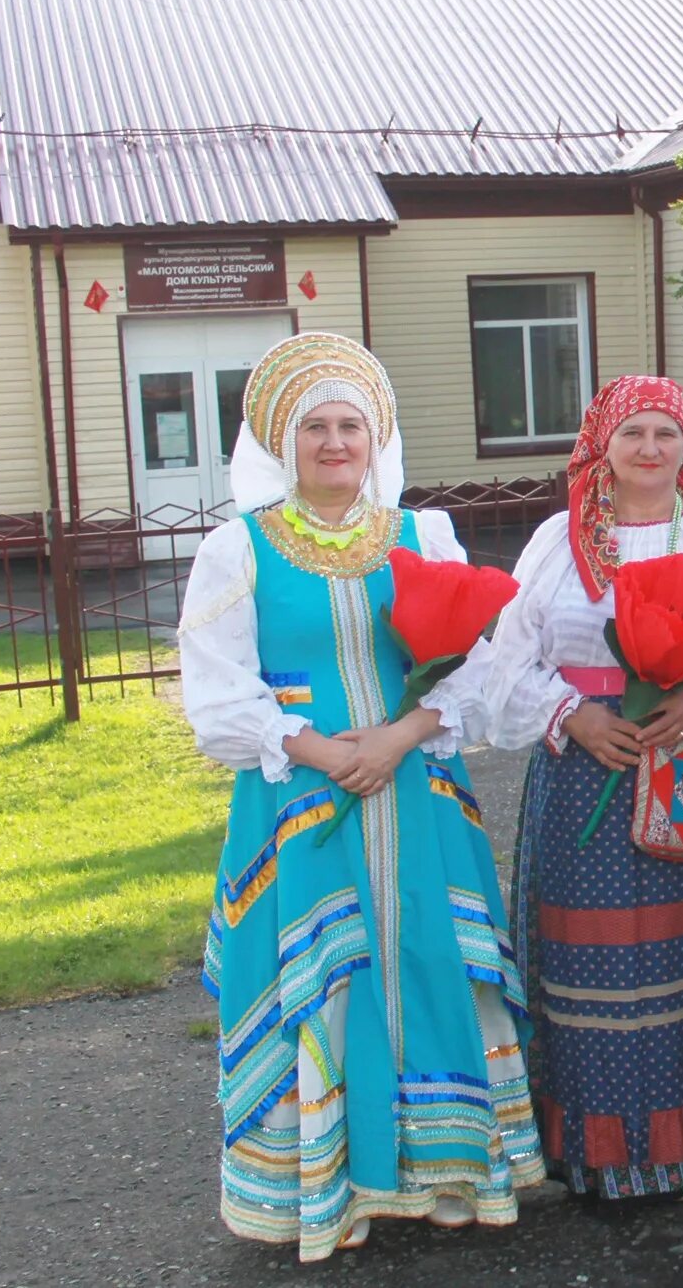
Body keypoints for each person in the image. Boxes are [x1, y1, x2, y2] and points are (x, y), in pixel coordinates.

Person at [178, 332, 541, 1262]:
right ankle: (327, 1189)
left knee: (429, 956)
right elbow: (217, 689)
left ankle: (448, 1172)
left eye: (351, 425)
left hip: (416, 787)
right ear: (280, 443)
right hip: (300, 800)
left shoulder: (425, 535)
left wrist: (396, 736)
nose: (336, 442)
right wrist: (312, 748)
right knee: (328, 972)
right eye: (315, 428)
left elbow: (482, 663)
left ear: (376, 439)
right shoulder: (239, 549)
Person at [485, 375, 683, 1203]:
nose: (651, 449)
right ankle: (621, 1151)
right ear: (602, 445)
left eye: (666, 432)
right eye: (634, 434)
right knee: (603, 967)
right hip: (590, 767)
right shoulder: (559, 540)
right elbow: (508, 664)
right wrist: (575, 716)